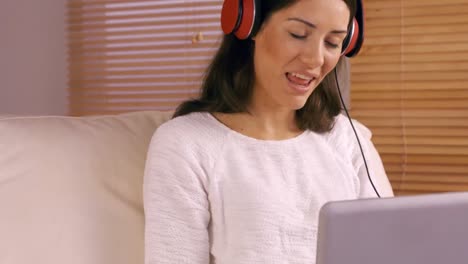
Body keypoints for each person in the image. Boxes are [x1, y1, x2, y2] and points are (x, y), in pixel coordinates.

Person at [143, 0, 393, 263]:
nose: (315, 59)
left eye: (332, 43)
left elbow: (389, 249)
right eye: (298, 34)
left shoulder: (347, 138)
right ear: (249, 22)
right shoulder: (187, 143)